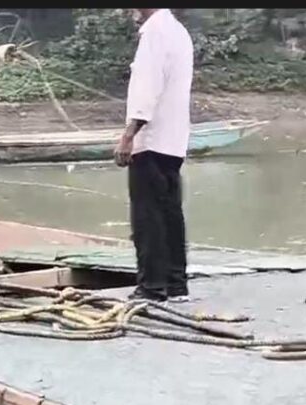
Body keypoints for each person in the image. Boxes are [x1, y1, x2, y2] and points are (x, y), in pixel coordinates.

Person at [114, 8, 193, 303]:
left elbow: (147, 89)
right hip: (174, 140)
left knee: (148, 216)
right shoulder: (179, 32)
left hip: (151, 139)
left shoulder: (154, 33)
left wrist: (128, 135)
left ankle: (151, 286)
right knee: (170, 212)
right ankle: (175, 284)